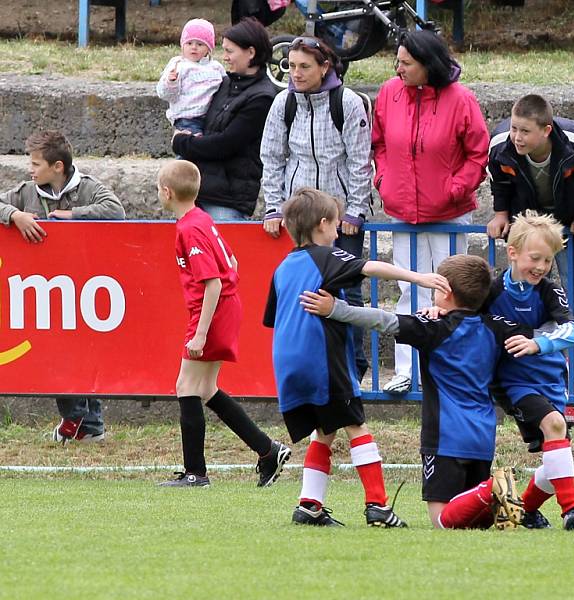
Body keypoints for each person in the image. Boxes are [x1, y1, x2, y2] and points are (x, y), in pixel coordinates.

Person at [300, 254, 543, 530]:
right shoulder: (496, 327)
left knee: (441, 520)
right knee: (473, 523)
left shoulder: (434, 328)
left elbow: (383, 320)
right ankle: (491, 497)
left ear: (446, 292)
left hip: (445, 439)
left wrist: (335, 309)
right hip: (483, 437)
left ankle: (490, 491)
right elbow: (534, 330)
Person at [263, 187, 450, 528]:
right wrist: (418, 277)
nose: (338, 231)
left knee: (326, 427)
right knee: (356, 425)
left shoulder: (283, 268)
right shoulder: (326, 256)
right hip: (321, 358)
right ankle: (377, 505)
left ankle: (309, 505)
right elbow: (372, 267)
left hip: (287, 361)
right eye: (335, 224)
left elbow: (274, 319)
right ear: (323, 225)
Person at [156, 160, 291, 488]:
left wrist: (200, 333)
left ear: (167, 192)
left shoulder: (189, 228)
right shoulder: (202, 219)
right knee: (204, 389)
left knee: (185, 387)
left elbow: (213, 282)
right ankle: (267, 450)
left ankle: (195, 473)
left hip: (212, 311)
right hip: (225, 308)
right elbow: (232, 261)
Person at [372, 29, 489, 395]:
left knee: (455, 291)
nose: (398, 68)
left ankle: (453, 368)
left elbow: (477, 152)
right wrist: (384, 178)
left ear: (427, 64)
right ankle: (406, 370)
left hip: (449, 214)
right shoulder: (389, 93)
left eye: (406, 63)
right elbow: (378, 143)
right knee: (408, 289)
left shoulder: (461, 99)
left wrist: (456, 188)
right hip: (402, 211)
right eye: (398, 61)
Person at [487, 93, 574, 402]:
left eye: (525, 131)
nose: (516, 137)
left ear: (546, 130)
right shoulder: (500, 145)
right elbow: (498, 180)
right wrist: (501, 213)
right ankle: (518, 369)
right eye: (514, 128)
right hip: (528, 226)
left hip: (573, 225)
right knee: (518, 295)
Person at [0, 130, 125, 443]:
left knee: (83, 353)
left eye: (36, 164)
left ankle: (88, 424)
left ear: (57, 167)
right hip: (42, 292)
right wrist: (14, 215)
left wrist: (73, 215)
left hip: (84, 290)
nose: (30, 169)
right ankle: (76, 420)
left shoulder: (88, 187)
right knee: (55, 353)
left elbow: (115, 210)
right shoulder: (26, 191)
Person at [261, 35, 372, 379]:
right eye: (291, 65)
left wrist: (354, 210)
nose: (295, 73)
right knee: (305, 291)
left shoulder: (349, 102)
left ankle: (355, 367)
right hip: (301, 216)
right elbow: (272, 157)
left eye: (304, 66)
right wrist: (274, 207)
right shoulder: (283, 103)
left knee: (349, 291)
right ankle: (316, 366)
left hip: (340, 218)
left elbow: (359, 160)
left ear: (325, 67)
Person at [483, 210, 574, 530]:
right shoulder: (491, 291)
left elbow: (572, 332)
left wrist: (537, 343)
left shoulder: (548, 290)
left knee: (554, 453)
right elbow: (464, 313)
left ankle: (526, 509)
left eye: (547, 261)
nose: (541, 267)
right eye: (535, 258)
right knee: (555, 425)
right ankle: (572, 508)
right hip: (515, 383)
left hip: (551, 380)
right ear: (513, 253)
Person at [172, 17, 278, 222]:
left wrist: (180, 141)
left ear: (251, 53)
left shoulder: (262, 98)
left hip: (227, 199)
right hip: (200, 191)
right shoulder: (225, 83)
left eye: (230, 51)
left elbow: (225, 144)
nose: (225, 57)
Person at [156, 18, 226, 138]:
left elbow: (225, 87)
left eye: (200, 44)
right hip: (187, 119)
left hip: (211, 118)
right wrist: (171, 82)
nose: (194, 47)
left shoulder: (216, 67)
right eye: (189, 43)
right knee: (189, 150)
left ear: (209, 48)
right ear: (182, 45)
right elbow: (165, 94)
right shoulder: (178, 65)